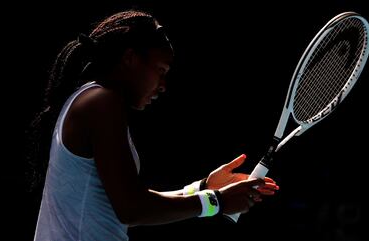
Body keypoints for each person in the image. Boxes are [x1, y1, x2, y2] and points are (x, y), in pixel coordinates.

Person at [27, 9, 279, 241]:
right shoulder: (101, 101)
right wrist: (218, 201)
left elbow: (128, 205)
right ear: (130, 58)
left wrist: (202, 188)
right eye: (161, 70)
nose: (163, 85)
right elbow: (132, 209)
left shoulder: (92, 99)